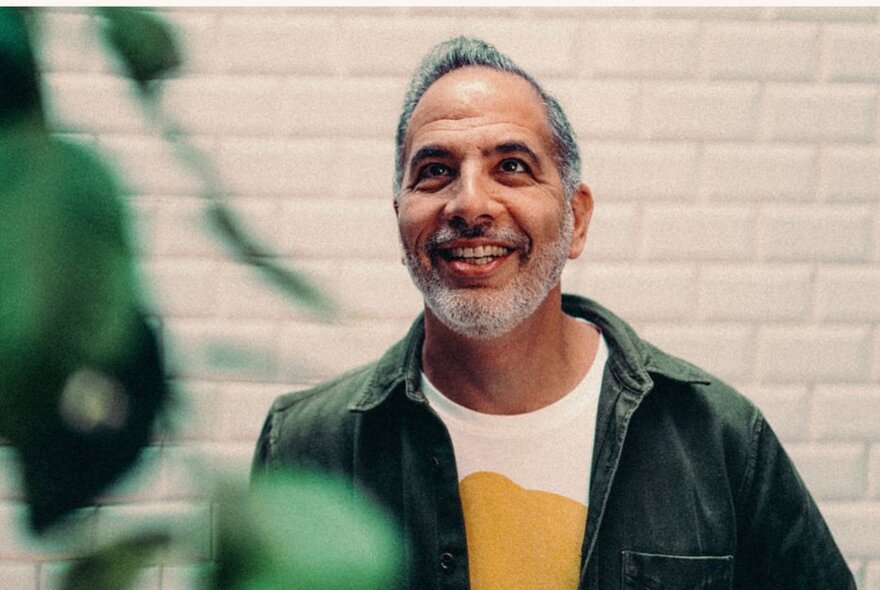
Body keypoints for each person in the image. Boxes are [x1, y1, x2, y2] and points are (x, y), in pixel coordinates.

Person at [252, 36, 855, 590]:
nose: (469, 203)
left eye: (511, 166)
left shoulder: (717, 438)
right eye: (435, 172)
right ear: (400, 214)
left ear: (577, 219)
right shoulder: (307, 447)